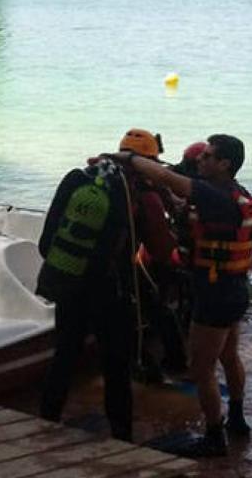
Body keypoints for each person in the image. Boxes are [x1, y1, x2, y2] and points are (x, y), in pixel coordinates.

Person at [109, 134, 252, 457]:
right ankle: (237, 419)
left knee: (201, 369)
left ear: (224, 164)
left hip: (215, 295)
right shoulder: (236, 193)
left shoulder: (212, 193)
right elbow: (185, 202)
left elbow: (165, 177)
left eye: (208, 156)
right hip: (234, 290)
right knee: (229, 356)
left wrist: (126, 158)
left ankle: (214, 436)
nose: (200, 161)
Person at [37, 128, 173, 442]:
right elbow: (163, 252)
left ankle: (46, 419)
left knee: (65, 355)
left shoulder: (82, 178)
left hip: (69, 280)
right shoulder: (142, 195)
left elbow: (50, 236)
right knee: (116, 367)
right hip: (112, 291)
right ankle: (122, 437)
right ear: (149, 162)